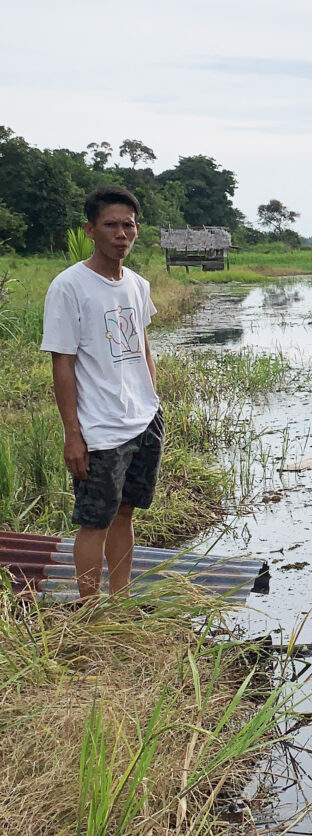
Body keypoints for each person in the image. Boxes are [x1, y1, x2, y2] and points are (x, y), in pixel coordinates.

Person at [41, 187, 164, 600]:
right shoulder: (69, 286)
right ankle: (90, 609)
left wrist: (154, 401)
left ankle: (121, 596)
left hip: (142, 419)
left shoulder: (137, 284)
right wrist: (72, 433)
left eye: (127, 225)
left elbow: (142, 345)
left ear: (137, 229)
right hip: (99, 427)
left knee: (126, 511)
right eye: (110, 225)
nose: (121, 233)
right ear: (90, 230)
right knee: (95, 519)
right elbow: (62, 362)